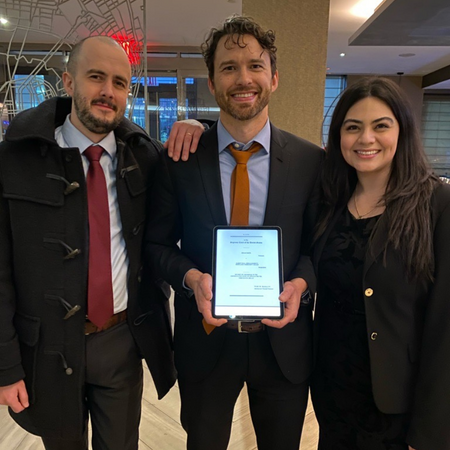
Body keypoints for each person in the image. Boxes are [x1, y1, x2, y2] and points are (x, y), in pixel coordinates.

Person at [0, 35, 201, 450]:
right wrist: (5, 366)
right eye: (96, 77)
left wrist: (198, 126)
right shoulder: (14, 161)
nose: (108, 92)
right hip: (47, 347)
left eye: (120, 82)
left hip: (121, 339)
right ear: (68, 82)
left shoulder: (146, 159)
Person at [145, 15, 324, 450]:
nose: (243, 78)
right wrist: (191, 279)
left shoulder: (310, 162)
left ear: (274, 78)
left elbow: (322, 247)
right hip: (205, 339)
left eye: (255, 66)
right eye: (228, 67)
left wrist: (301, 283)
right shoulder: (180, 159)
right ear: (211, 81)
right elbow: (156, 245)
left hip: (283, 342)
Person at [312, 76, 450, 450]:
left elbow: (444, 327)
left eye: (380, 126)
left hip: (397, 406)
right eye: (352, 127)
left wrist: (431, 433)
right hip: (332, 392)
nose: (366, 139)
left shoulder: (437, 203)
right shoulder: (330, 199)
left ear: (402, 131)